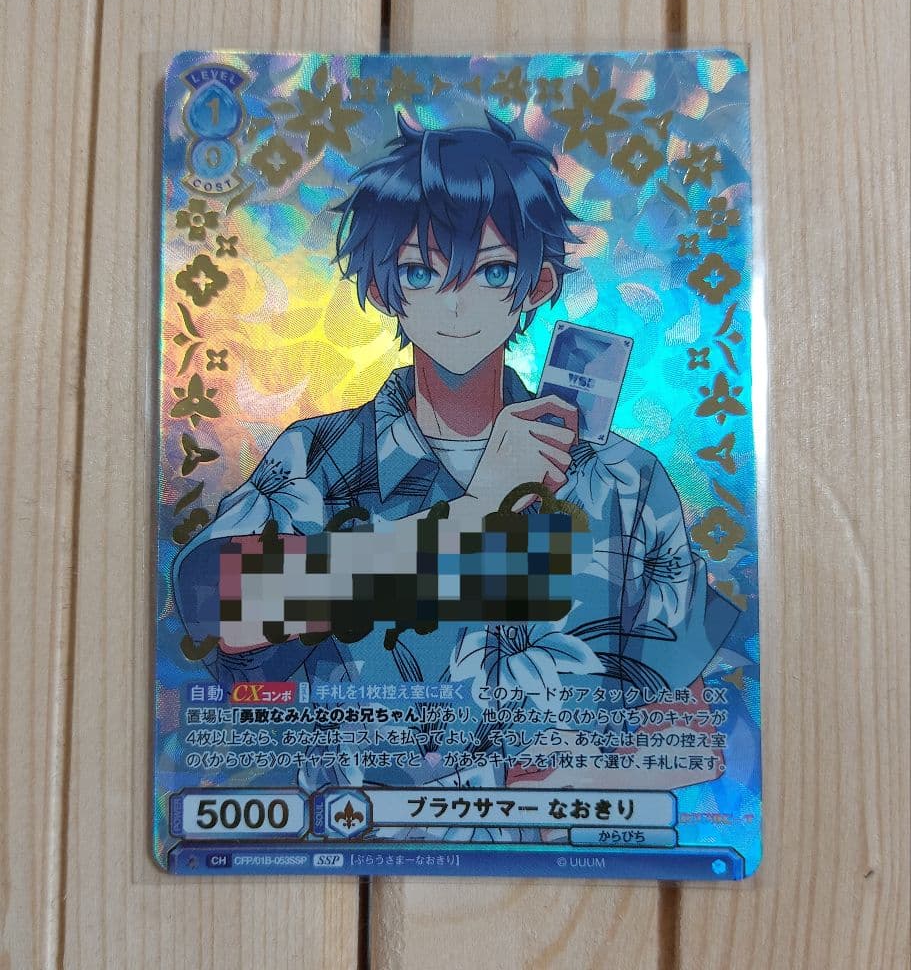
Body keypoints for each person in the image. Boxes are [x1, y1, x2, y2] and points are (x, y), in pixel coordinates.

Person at [171, 111, 739, 724]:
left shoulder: (623, 478)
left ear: (537, 286)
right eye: (421, 272)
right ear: (384, 290)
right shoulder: (323, 455)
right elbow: (214, 609)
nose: (456, 303)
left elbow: (688, 721)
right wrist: (476, 513)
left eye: (494, 271)